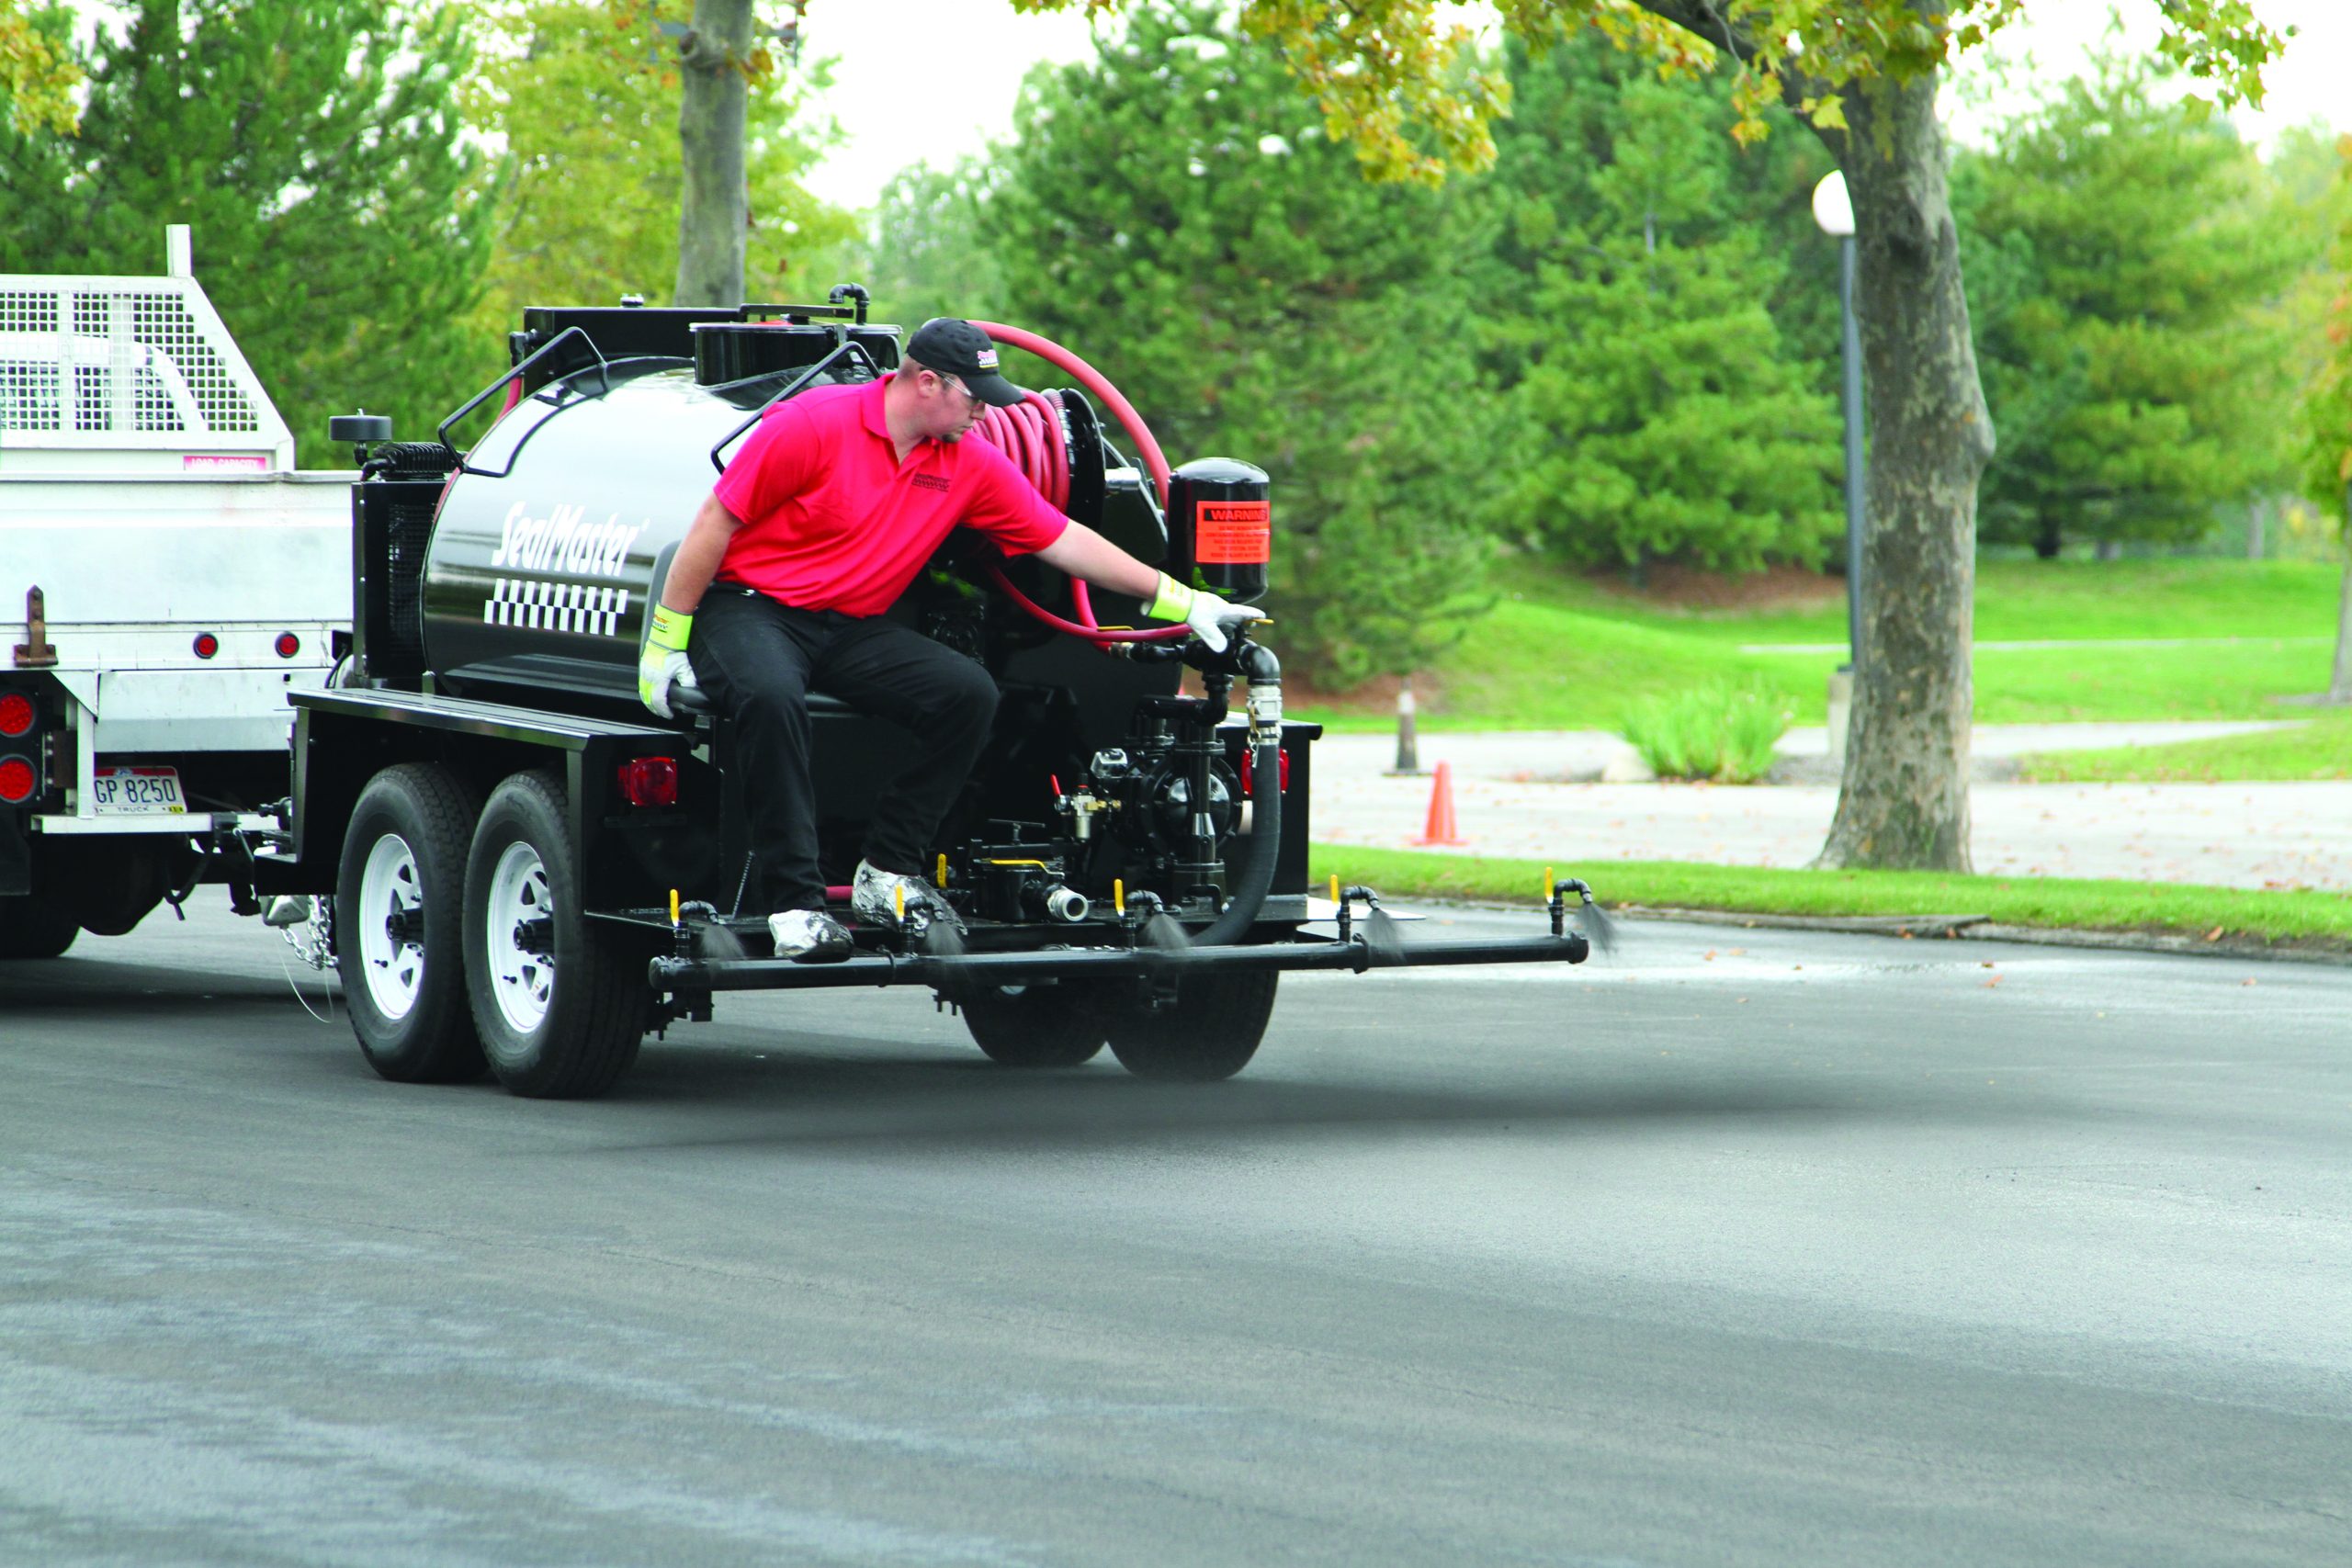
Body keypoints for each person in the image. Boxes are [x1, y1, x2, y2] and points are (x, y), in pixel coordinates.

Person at [638, 317, 1261, 961]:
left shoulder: (965, 461)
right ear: (927, 383)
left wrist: (1181, 599)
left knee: (967, 693)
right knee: (770, 697)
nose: (986, 412)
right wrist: (664, 643)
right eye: (976, 396)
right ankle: (795, 905)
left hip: (847, 625)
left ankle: (887, 870)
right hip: (750, 607)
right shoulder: (815, 423)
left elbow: (1061, 538)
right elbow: (716, 520)